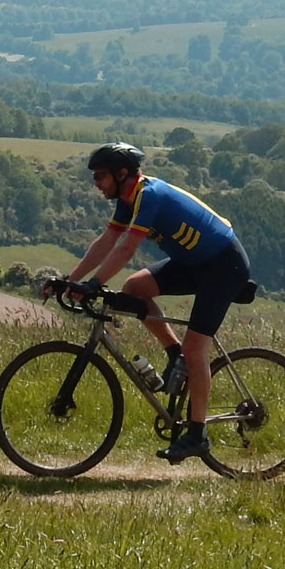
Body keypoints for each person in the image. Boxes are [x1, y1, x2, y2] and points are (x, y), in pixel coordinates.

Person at [57, 141, 250, 463]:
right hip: (194, 262)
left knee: (196, 348)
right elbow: (106, 241)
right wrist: (71, 280)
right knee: (135, 288)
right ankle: (175, 356)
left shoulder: (149, 196)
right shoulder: (127, 198)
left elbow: (125, 249)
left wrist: (93, 284)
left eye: (100, 176)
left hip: (223, 265)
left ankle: (197, 433)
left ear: (122, 174)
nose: (96, 183)